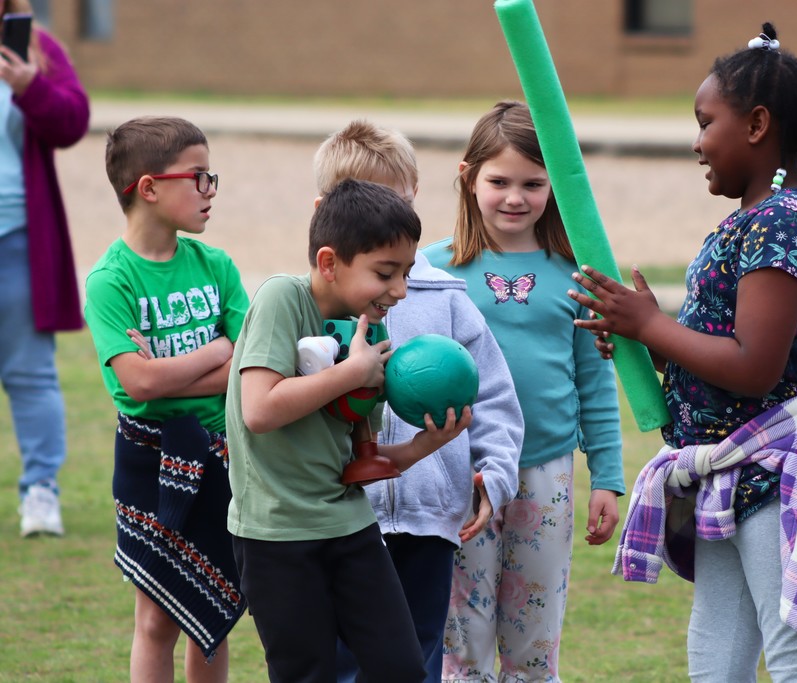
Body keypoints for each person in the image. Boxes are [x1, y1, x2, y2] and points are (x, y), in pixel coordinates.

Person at [571, 23, 797, 683]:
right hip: (732, 477)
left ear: (756, 125)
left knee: (794, 657)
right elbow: (728, 354)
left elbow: (755, 366)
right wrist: (648, 340)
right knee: (715, 649)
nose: (697, 142)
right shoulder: (756, 219)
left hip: (779, 476)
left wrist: (651, 326)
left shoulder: (785, 221)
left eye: (706, 122)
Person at [226, 178, 474, 682]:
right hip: (277, 535)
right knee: (307, 672)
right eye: (385, 273)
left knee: (402, 667)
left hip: (350, 527)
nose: (401, 290)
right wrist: (352, 373)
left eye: (405, 272)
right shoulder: (281, 299)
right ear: (328, 263)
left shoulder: (368, 328)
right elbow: (260, 409)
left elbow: (360, 466)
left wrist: (427, 445)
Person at [421, 100, 625, 683]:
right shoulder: (430, 272)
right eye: (499, 181)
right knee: (463, 636)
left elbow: (595, 381)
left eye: (533, 183)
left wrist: (607, 477)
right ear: (468, 178)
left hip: (547, 474)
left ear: (554, 187)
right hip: (463, 473)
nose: (515, 196)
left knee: (534, 639)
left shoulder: (577, 275)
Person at [317, 122, 524, 683]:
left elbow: (496, 398)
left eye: (397, 202)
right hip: (339, 517)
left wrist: (494, 475)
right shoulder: (308, 305)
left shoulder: (446, 301)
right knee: (344, 659)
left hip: (430, 516)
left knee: (417, 657)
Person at [84, 116, 249, 681]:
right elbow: (140, 386)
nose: (210, 191)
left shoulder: (217, 265)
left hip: (221, 455)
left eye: (211, 178)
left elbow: (252, 366)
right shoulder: (111, 280)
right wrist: (217, 351)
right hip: (147, 462)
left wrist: (173, 368)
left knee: (213, 616)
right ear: (149, 188)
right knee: (156, 620)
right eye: (197, 177)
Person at [0, 0, 89, 537]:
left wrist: (32, 85)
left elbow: (73, 121)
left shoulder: (35, 46)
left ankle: (40, 491)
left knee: (31, 375)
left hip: (17, 240)